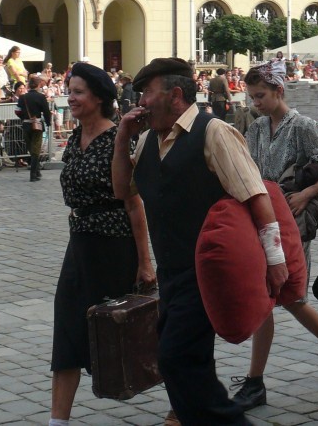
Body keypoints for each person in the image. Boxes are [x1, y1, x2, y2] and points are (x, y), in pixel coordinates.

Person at [113, 57, 288, 425]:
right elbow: (121, 189)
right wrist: (121, 138)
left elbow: (257, 196)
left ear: (175, 95)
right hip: (172, 273)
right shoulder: (146, 141)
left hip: (207, 272)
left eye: (147, 93)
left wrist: (276, 261)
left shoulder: (214, 132)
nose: (141, 101)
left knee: (176, 357)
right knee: (188, 361)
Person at [231, 59, 318, 411]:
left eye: (261, 96)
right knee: (271, 296)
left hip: (292, 221)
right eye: (252, 97)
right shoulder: (255, 128)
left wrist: (305, 194)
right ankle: (263, 378)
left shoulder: (302, 126)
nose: (256, 103)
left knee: (288, 295)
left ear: (278, 91)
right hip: (262, 220)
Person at [49, 63, 155, 426]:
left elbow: (133, 202)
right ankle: (57, 421)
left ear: (98, 96)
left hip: (114, 247)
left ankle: (182, 404)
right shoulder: (75, 139)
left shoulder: (116, 138)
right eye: (70, 90)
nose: (71, 98)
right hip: (79, 247)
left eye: (78, 91)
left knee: (133, 332)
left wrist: (145, 262)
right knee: (66, 331)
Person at [16, 77, 52, 182]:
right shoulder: (41, 97)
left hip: (26, 125)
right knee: (36, 149)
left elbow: (17, 111)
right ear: (38, 85)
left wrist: (24, 117)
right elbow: (46, 111)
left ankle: (36, 171)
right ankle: (33, 173)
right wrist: (48, 122)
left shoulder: (23, 97)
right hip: (37, 125)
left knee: (31, 148)